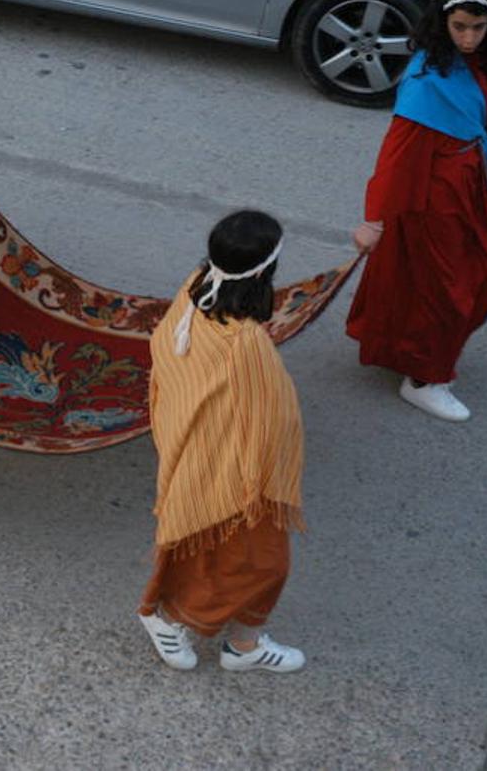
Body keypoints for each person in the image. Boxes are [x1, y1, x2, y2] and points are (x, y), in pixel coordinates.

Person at [346, 0, 487, 422]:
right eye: (460, 27)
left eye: (478, 27)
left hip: (472, 185)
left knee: (458, 281)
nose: (469, 37)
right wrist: (374, 219)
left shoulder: (483, 64)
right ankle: (425, 379)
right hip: (433, 199)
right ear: (443, 23)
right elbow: (395, 157)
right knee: (455, 288)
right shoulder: (426, 80)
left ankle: (417, 358)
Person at [137, 211, 307, 673]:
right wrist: (264, 474)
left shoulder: (196, 286)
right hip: (232, 470)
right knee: (261, 562)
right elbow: (265, 419)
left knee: (223, 555)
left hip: (201, 450)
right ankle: (169, 619)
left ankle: (243, 646)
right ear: (264, 271)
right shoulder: (246, 343)